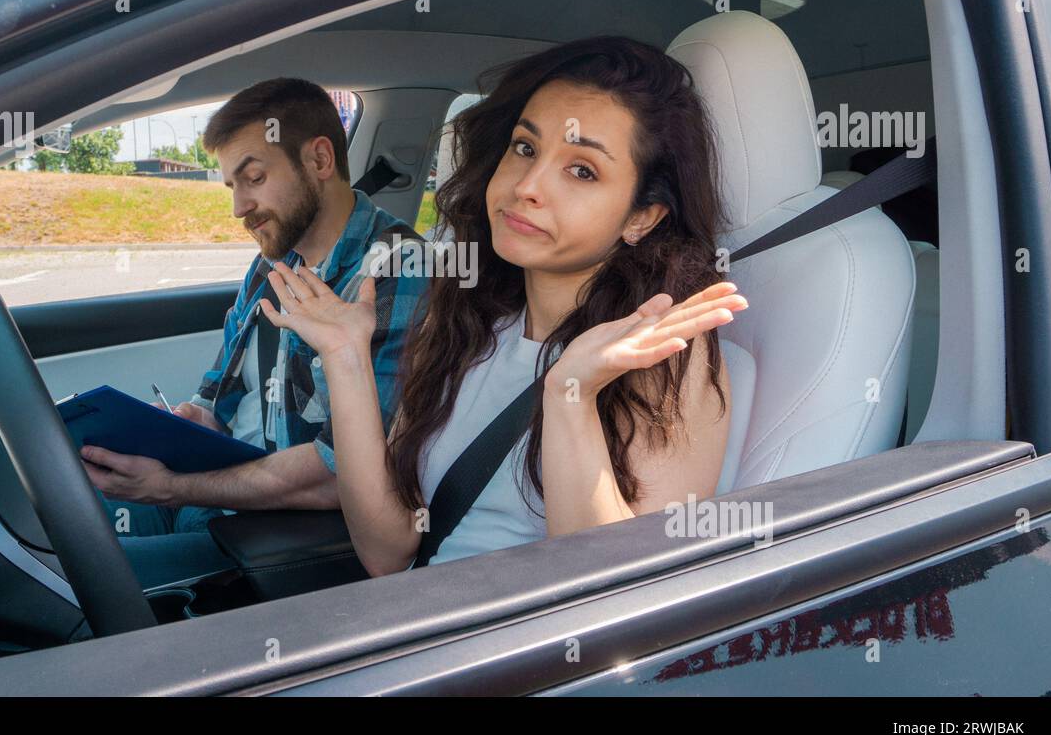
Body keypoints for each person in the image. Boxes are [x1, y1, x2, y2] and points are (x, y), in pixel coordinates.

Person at [257, 37, 748, 575]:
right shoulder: (466, 321)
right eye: (525, 148)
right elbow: (388, 552)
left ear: (641, 217)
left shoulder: (664, 351)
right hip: (415, 622)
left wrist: (569, 394)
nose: (528, 186)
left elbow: (613, 599)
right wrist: (344, 355)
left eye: (582, 170)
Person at [79, 78, 428, 587]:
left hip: (286, 536)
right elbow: (217, 395)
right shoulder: (271, 265)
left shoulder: (397, 272)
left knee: (89, 583)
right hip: (217, 498)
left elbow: (341, 475)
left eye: (254, 178)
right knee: (65, 510)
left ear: (320, 160)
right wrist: (179, 427)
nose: (239, 207)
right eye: (232, 187)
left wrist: (178, 487)